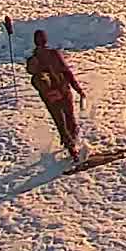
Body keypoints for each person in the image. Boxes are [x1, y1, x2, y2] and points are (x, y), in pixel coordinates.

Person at [24, 30, 86, 162]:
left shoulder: (33, 59)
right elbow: (67, 72)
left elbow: (32, 74)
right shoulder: (54, 54)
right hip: (63, 90)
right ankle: (74, 144)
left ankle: (71, 149)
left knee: (60, 123)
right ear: (46, 40)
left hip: (50, 97)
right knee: (69, 118)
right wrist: (78, 89)